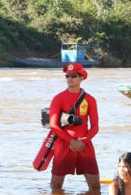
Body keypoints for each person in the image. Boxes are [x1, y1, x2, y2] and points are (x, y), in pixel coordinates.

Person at [49, 63, 100, 193]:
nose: (69, 79)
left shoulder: (90, 100)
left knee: (95, 187)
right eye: (67, 76)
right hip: (63, 144)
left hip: (85, 145)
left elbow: (95, 127)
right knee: (56, 186)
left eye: (73, 76)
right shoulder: (58, 98)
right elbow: (54, 125)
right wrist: (71, 141)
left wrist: (84, 141)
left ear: (81, 77)